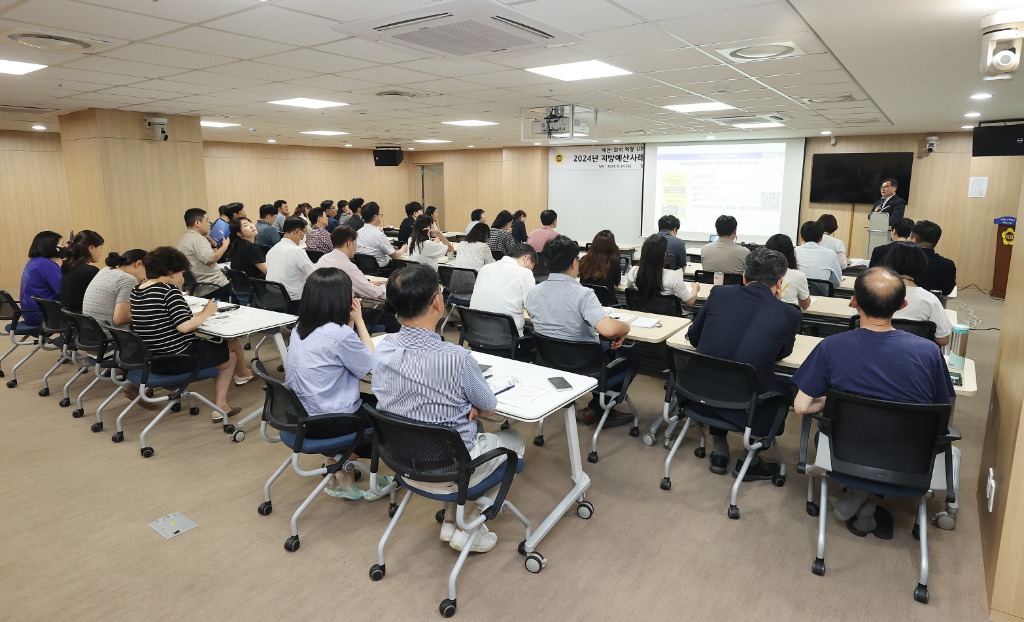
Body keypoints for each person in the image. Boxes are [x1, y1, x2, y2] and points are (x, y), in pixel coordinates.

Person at [372, 264, 526, 553]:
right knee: (514, 442)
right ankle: (468, 524)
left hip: (405, 465)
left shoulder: (383, 349)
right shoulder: (458, 359)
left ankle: (449, 522)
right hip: (452, 470)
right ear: (437, 301)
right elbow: (490, 407)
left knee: (451, 434)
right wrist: (476, 408)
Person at [793, 267, 954, 538]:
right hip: (910, 456)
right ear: (902, 306)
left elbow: (800, 406)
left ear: (854, 301)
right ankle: (866, 500)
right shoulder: (929, 352)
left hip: (844, 451)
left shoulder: (831, 346)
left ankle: (860, 493)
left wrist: (828, 402)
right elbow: (942, 411)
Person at [685, 247, 802, 479]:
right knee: (785, 390)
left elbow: (695, 337)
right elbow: (782, 352)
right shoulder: (789, 313)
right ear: (780, 282)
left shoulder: (719, 294)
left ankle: (719, 448)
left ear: (744, 277)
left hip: (697, 395)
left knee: (721, 369)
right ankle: (752, 460)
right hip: (745, 406)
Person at [286, 268, 391, 502]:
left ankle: (338, 460)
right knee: (387, 413)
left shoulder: (301, 325)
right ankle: (350, 468)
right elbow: (370, 365)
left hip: (300, 415)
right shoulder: (339, 334)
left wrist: (350, 325)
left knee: (370, 403)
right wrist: (360, 321)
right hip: (329, 420)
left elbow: (342, 352)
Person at [525, 235, 637, 427]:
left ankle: (596, 407)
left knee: (601, 347)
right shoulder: (583, 294)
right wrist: (625, 327)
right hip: (585, 366)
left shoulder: (533, 292)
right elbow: (609, 330)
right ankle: (599, 408)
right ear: (574, 263)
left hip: (550, 361)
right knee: (631, 357)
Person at [130, 247, 251, 423]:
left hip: (152, 358)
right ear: (170, 273)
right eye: (181, 273)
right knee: (229, 353)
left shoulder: (137, 290)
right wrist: (207, 313)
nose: (182, 278)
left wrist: (198, 315)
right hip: (178, 358)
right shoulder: (169, 292)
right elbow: (184, 327)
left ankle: (243, 374)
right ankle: (222, 405)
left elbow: (167, 317)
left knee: (226, 343)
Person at [316, 226, 400, 333]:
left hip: (323, 315)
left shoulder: (324, 259)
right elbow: (374, 293)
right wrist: (387, 285)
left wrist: (369, 283)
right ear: (349, 243)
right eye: (356, 243)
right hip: (344, 318)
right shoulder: (347, 266)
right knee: (392, 320)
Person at [878, 242, 953, 345]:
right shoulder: (930, 299)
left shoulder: (874, 293)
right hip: (914, 356)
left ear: (889, 262)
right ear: (921, 265)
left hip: (875, 353)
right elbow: (943, 340)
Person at [470, 243, 537, 340]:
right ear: (527, 258)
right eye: (531, 266)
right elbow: (533, 309)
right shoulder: (525, 273)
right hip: (507, 340)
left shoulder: (485, 268)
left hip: (476, 335)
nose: (530, 270)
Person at [625, 234, 698, 306]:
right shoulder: (673, 277)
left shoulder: (633, 271)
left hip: (642, 314)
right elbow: (690, 301)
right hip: (666, 316)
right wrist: (695, 288)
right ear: (665, 254)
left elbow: (630, 289)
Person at [83, 249, 147, 328]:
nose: (146, 277)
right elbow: (120, 319)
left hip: (92, 332)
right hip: (110, 336)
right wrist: (147, 313)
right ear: (138, 264)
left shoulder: (105, 270)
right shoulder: (128, 279)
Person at [176, 208, 232, 299]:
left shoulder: (185, 238)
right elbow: (211, 260)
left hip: (199, 287)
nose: (209, 224)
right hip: (213, 286)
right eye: (207, 220)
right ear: (197, 223)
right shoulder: (198, 239)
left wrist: (214, 246)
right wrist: (225, 246)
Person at [265, 217, 315, 313]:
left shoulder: (272, 250)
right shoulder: (296, 251)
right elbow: (314, 274)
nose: (304, 236)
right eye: (303, 232)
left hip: (274, 297)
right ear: (296, 232)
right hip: (294, 300)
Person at [19, 231, 64, 326]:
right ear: (50, 246)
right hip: (43, 316)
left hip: (29, 314)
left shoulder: (34, 262)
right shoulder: (47, 265)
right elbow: (63, 291)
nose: (63, 248)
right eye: (61, 245)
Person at [59, 230, 105, 313]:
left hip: (73, 321)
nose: (102, 251)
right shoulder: (90, 271)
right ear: (91, 248)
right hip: (87, 320)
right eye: (101, 247)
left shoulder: (68, 268)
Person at [765, 234, 811, 310]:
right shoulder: (798, 276)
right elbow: (805, 305)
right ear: (791, 253)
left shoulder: (758, 272)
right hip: (787, 318)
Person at [911, 220, 957, 296]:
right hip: (934, 305)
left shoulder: (902, 261)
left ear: (914, 240)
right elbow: (947, 291)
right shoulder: (948, 265)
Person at [356, 202, 405, 267]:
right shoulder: (379, 235)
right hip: (381, 270)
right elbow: (395, 256)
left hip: (363, 268)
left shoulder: (358, 232)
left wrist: (389, 248)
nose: (380, 217)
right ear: (375, 217)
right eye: (380, 215)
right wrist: (403, 249)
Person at [794, 220, 841, 287]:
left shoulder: (793, 252)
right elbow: (837, 282)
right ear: (821, 238)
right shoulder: (831, 254)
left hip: (797, 295)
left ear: (801, 237)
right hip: (822, 296)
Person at [226, 218, 267, 290]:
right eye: (245, 225)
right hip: (255, 291)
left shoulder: (239, 244)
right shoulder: (250, 247)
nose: (251, 226)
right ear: (239, 233)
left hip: (242, 289)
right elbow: (267, 271)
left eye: (250, 223)